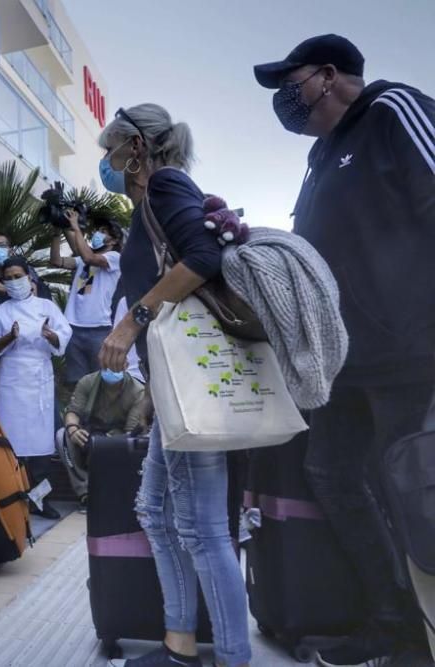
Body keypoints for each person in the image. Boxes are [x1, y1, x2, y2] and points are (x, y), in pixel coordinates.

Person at [254, 34, 435, 666]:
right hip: (342, 363)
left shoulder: (393, 110)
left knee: (412, 488)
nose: (285, 99)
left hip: (411, 352)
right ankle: (394, 624)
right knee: (332, 473)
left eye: (290, 82)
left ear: (329, 76)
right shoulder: (321, 158)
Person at [97, 104, 251, 667]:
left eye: (108, 148)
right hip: (172, 388)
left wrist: (132, 318)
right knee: (156, 513)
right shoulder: (149, 202)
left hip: (192, 388)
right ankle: (179, 646)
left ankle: (235, 656)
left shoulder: (166, 185)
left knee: (203, 528)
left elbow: (205, 256)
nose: (104, 161)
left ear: (135, 147)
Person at [0, 256, 71, 520]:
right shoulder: (2, 311)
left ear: (29, 277)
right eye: (7, 278)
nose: (12, 282)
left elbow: (64, 334)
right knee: (13, 445)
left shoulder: (46, 306)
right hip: (12, 380)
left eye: (17, 276)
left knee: (42, 447)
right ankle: (15, 498)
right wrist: (10, 336)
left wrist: (50, 335)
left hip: (40, 377)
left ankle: (40, 501)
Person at [56, 358, 149, 510]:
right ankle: (84, 491)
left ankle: (112, 491)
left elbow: (132, 432)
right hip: (89, 430)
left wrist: (105, 443)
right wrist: (73, 429)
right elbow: (73, 411)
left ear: (125, 365)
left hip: (118, 437)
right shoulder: (88, 382)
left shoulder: (137, 391)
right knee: (62, 436)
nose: (111, 368)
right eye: (107, 365)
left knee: (130, 445)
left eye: (116, 363)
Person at [50, 212, 122, 389]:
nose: (97, 233)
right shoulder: (82, 260)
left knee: (101, 382)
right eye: (97, 230)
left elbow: (90, 258)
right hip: (72, 327)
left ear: (113, 241)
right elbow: (56, 261)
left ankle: (99, 416)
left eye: (103, 231)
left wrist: (75, 226)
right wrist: (56, 233)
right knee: (78, 383)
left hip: (98, 329)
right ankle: (79, 416)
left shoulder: (115, 258)